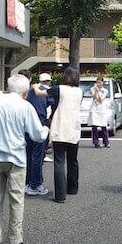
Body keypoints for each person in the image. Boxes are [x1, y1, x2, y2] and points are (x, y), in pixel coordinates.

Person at [0, 74, 48, 244]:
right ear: (25, 91)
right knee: (16, 200)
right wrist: (46, 129)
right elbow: (37, 135)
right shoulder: (26, 106)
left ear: (8, 87)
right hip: (16, 158)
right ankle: (16, 243)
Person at [48, 67, 83, 203]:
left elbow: (42, 92)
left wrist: (35, 87)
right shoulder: (79, 91)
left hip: (60, 127)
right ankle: (72, 188)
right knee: (73, 160)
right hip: (74, 128)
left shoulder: (59, 89)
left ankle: (60, 195)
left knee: (59, 160)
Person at [24, 72, 55, 196]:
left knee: (29, 154)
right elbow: (53, 104)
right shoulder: (48, 91)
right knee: (38, 155)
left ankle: (27, 182)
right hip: (40, 123)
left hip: (26, 124)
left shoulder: (29, 90)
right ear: (48, 81)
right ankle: (35, 185)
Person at [89, 77, 110, 148]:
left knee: (103, 126)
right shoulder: (92, 89)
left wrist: (98, 91)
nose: (99, 84)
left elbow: (100, 100)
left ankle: (106, 142)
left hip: (102, 109)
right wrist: (96, 91)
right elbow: (94, 98)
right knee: (94, 126)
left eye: (100, 82)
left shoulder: (105, 90)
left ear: (102, 83)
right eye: (98, 82)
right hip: (94, 109)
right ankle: (96, 143)